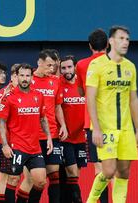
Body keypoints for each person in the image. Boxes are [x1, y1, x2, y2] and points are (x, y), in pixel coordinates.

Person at [86, 26, 138, 203]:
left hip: (126, 129)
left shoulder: (130, 67)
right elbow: (90, 97)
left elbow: (133, 99)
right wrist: (96, 128)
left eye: (127, 39)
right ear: (111, 41)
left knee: (124, 172)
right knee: (109, 171)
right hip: (105, 128)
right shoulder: (97, 65)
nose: (125, 42)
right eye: (121, 38)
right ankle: (90, 200)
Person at [0, 63, 53, 203]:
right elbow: (2, 122)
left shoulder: (38, 95)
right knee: (13, 179)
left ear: (31, 77)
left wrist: (49, 137)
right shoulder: (9, 97)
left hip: (35, 148)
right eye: (21, 75)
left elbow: (43, 118)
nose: (24, 79)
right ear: (17, 76)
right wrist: (5, 145)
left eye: (27, 76)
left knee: (41, 182)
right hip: (17, 146)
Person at [18, 49, 68, 203]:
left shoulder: (55, 81)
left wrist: (63, 125)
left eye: (53, 66)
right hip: (30, 138)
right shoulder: (26, 79)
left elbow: (58, 106)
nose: (51, 69)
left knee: (54, 176)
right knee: (34, 180)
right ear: (39, 63)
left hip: (51, 135)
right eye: (48, 65)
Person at [75, 28, 109, 202]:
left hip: (93, 124)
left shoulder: (81, 65)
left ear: (90, 46)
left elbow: (81, 92)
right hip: (113, 123)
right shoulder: (116, 63)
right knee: (114, 170)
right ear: (108, 45)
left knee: (99, 169)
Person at [59, 55, 87, 203]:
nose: (66, 70)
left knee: (73, 176)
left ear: (75, 67)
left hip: (82, 137)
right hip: (65, 138)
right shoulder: (58, 84)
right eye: (63, 68)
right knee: (72, 173)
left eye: (69, 67)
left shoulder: (83, 84)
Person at [0, 64, 20, 203]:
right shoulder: (3, 91)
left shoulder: (28, 92)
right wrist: (5, 94)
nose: (19, 78)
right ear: (12, 76)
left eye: (22, 75)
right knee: (5, 177)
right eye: (16, 75)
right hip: (5, 141)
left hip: (23, 142)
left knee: (24, 178)